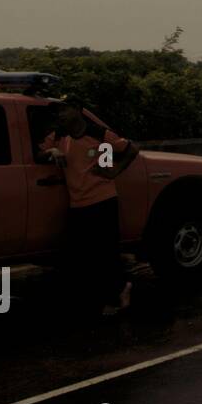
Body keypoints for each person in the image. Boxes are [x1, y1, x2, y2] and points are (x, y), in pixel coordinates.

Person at [39, 101, 136, 316]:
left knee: (106, 253)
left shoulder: (99, 134)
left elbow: (129, 150)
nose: (61, 115)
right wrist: (52, 151)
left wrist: (114, 171)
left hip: (102, 200)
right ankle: (101, 294)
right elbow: (39, 153)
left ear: (78, 110)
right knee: (83, 255)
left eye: (64, 110)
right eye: (59, 112)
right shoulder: (59, 136)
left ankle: (119, 293)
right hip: (78, 203)